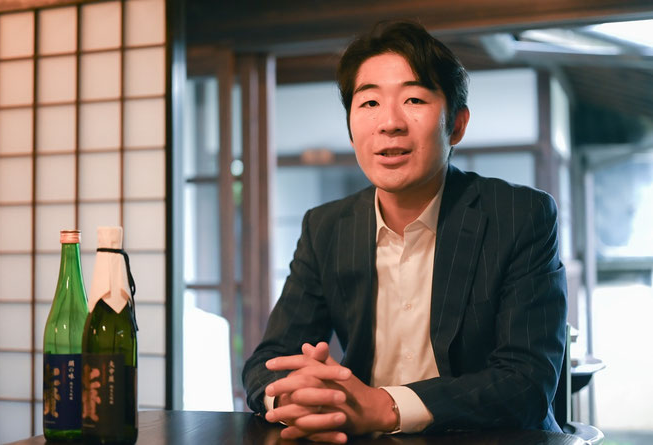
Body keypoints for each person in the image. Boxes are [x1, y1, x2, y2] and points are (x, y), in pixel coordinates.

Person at [242, 20, 567, 443]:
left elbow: (527, 383)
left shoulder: (520, 216)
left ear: (456, 125)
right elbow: (268, 362)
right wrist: (295, 397)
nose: (389, 123)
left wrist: (385, 406)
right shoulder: (326, 228)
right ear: (351, 127)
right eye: (369, 102)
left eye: (413, 99)